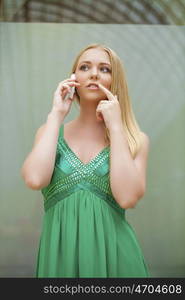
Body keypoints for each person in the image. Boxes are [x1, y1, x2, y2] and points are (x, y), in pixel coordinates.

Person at [21, 43, 150, 278]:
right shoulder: (49, 132)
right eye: (85, 67)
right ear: (74, 78)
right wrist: (56, 114)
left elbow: (128, 197)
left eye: (104, 69)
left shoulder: (135, 140)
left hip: (118, 263)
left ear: (115, 80)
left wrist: (116, 127)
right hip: (60, 262)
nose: (93, 74)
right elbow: (34, 178)